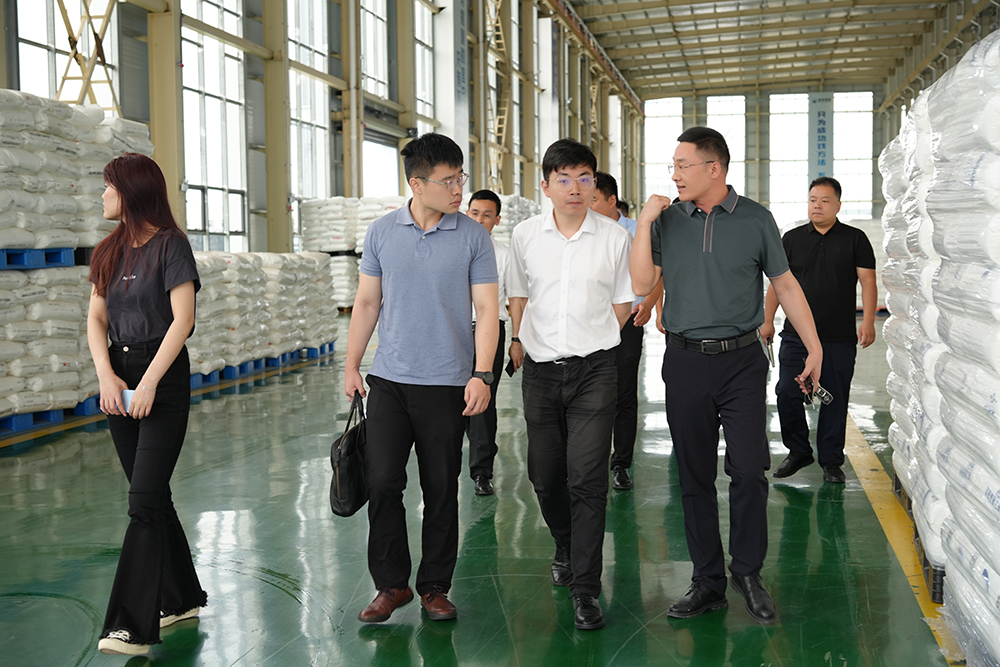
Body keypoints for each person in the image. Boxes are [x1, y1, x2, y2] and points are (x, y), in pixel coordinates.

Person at [630, 127, 822, 626]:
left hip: (742, 361)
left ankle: (748, 573)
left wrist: (815, 345)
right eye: (673, 166)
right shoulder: (667, 220)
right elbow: (641, 282)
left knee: (749, 469)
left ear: (713, 168)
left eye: (683, 165)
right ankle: (708, 581)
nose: (674, 175)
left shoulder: (756, 219)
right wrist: (645, 221)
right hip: (685, 361)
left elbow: (785, 284)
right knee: (693, 475)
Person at [345, 133, 498, 624]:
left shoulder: (473, 237)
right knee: (382, 482)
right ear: (416, 183)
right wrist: (352, 364)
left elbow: (487, 310)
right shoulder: (381, 232)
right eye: (447, 181)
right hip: (389, 380)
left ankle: (434, 587)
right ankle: (392, 585)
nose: (458, 189)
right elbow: (367, 302)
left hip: (448, 382)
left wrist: (482, 374)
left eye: (460, 178)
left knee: (440, 488)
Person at [508, 139, 634, 630]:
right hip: (540, 371)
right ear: (546, 186)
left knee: (587, 478)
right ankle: (564, 542)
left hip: (595, 371)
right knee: (544, 475)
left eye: (584, 178)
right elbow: (519, 294)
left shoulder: (614, 237)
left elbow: (622, 303)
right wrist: (519, 340)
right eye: (563, 179)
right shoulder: (525, 235)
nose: (575, 188)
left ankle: (586, 588)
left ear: (594, 183)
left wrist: (594, 339)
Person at [88, 153, 207, 656]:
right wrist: (106, 375)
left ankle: (131, 626)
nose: (102, 195)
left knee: (142, 503)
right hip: (119, 378)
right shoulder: (108, 251)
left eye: (109, 187)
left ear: (132, 192)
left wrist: (151, 381)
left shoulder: (171, 246)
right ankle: (181, 599)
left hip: (163, 376)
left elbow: (183, 320)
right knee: (154, 497)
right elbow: (96, 319)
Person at [760, 177, 877, 484]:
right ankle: (798, 450)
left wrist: (867, 321)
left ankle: (831, 461)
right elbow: (777, 284)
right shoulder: (792, 239)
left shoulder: (855, 239)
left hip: (839, 336)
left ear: (838, 205)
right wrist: (768, 319)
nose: (817, 206)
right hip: (796, 336)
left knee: (834, 398)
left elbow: (868, 281)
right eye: (813, 200)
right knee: (787, 391)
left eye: (825, 201)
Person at [590, 171, 663, 491]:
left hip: (628, 321)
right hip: (591, 322)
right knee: (590, 394)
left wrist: (649, 304)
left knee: (623, 395)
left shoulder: (638, 231)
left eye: (593, 199)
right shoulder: (583, 231)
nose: (587, 204)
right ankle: (589, 461)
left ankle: (620, 463)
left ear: (611, 200)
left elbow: (659, 273)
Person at [465, 189, 509, 496]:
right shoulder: (452, 247)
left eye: (487, 215)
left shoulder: (503, 254)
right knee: (450, 398)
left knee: (483, 399)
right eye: (475, 213)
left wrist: (517, 340)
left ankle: (481, 471)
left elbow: (515, 298)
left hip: (490, 330)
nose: (480, 220)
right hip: (452, 333)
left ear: (497, 220)